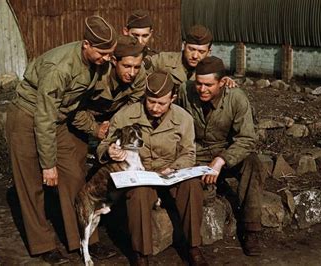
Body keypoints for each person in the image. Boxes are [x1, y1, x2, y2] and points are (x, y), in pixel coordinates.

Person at [5, 15, 117, 264]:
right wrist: (48, 164)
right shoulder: (60, 68)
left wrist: (96, 128)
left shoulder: (96, 64)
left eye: (110, 53)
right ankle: (43, 244)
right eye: (103, 53)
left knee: (75, 177)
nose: (107, 59)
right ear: (86, 44)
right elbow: (43, 116)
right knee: (31, 183)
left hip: (55, 119)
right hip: (27, 117)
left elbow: (72, 106)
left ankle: (84, 239)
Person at [97, 72, 209, 266]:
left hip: (171, 173)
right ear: (144, 97)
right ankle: (142, 254)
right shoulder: (127, 114)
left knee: (192, 185)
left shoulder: (183, 118)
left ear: (172, 99)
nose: (155, 108)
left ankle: (193, 247)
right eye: (151, 102)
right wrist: (109, 150)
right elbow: (104, 144)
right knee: (138, 193)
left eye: (162, 103)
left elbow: (189, 153)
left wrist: (173, 168)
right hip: (142, 175)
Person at [177, 56, 266, 256]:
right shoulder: (185, 90)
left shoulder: (236, 97)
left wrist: (222, 159)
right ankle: (192, 242)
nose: (202, 89)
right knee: (200, 193)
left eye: (209, 85)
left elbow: (247, 139)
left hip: (225, 151)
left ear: (222, 82)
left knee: (254, 164)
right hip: (196, 153)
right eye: (199, 83)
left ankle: (251, 229)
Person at [71, 35, 147, 142]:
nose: (132, 73)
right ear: (114, 60)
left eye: (137, 67)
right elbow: (74, 108)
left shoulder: (140, 75)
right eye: (127, 66)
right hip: (83, 119)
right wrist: (95, 129)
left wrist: (113, 125)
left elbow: (132, 106)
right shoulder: (92, 74)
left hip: (115, 119)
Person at [147, 24, 235, 89]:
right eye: (191, 49)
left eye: (201, 51)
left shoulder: (214, 69)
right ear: (184, 46)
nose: (195, 56)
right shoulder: (163, 60)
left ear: (209, 52)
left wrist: (224, 81)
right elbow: (140, 70)